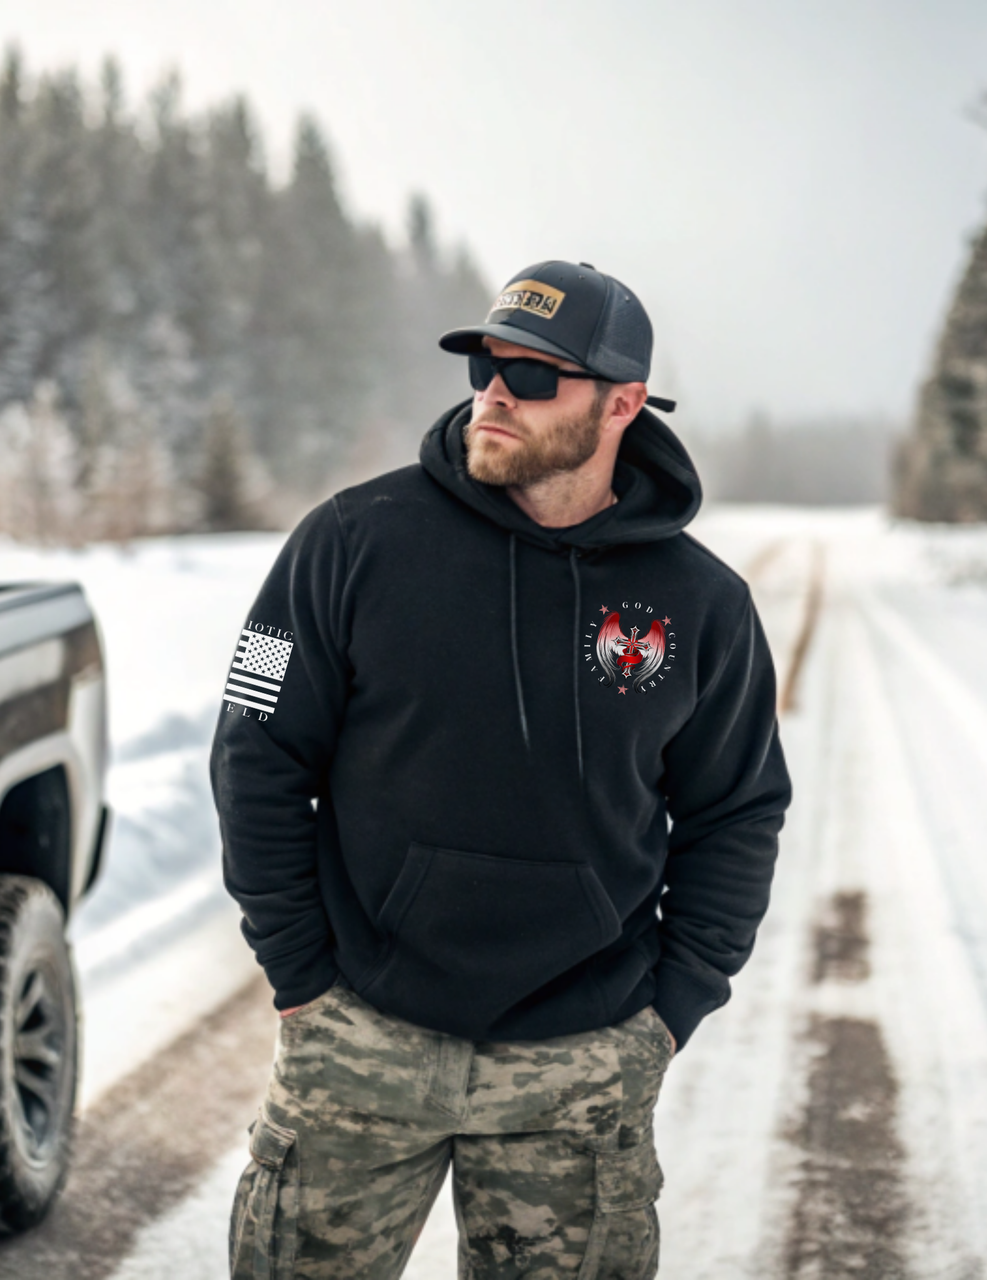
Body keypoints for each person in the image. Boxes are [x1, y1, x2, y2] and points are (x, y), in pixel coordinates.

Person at [212, 260, 792, 1278]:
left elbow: (736, 810)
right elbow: (252, 742)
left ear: (620, 404)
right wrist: (299, 971)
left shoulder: (701, 605)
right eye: (486, 364)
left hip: (579, 1058)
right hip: (359, 1037)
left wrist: (671, 1006)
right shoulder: (347, 540)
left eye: (534, 376)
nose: (492, 391)